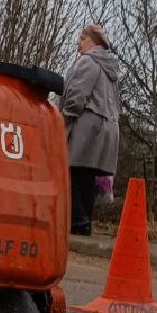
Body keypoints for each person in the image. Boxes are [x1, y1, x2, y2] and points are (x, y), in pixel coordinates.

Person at [61, 24, 121, 236]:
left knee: (72, 174)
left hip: (87, 127)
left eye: (82, 38)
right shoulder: (109, 69)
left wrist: (64, 118)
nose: (79, 42)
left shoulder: (88, 62)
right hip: (106, 128)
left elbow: (76, 97)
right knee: (86, 178)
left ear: (93, 42)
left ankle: (77, 222)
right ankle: (84, 223)